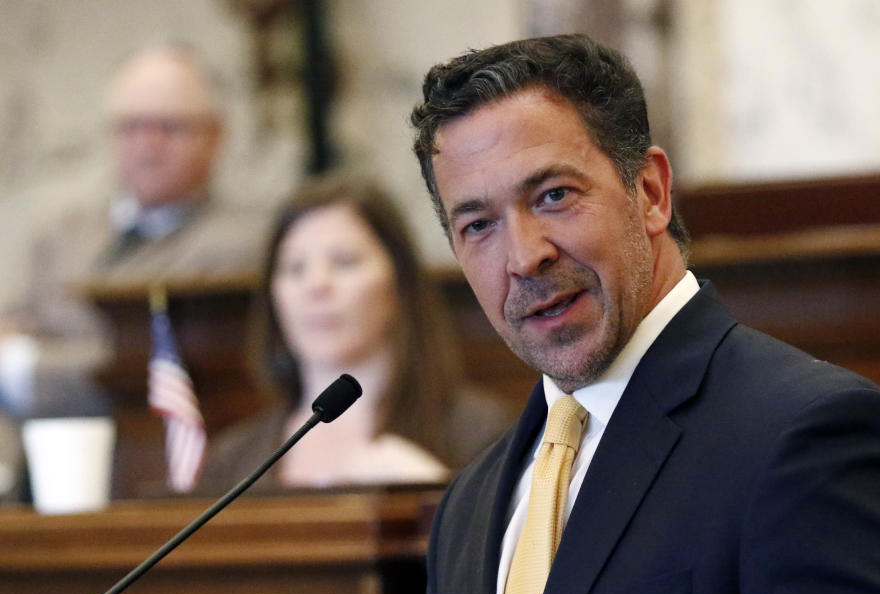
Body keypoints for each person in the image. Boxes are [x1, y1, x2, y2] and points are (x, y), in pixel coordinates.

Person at [409, 34, 880, 594]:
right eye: (479, 224)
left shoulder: (810, 437)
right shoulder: (467, 507)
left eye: (554, 195)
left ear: (650, 194)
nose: (523, 257)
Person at [0, 41, 269, 422]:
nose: (147, 144)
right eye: (130, 126)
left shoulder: (241, 246)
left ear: (215, 137)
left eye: (169, 127)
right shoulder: (61, 237)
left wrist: (25, 368)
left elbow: (150, 366)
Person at [196, 173, 511, 493]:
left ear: (398, 283)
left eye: (344, 262)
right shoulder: (232, 460)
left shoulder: (480, 433)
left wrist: (433, 496)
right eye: (295, 268)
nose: (316, 285)